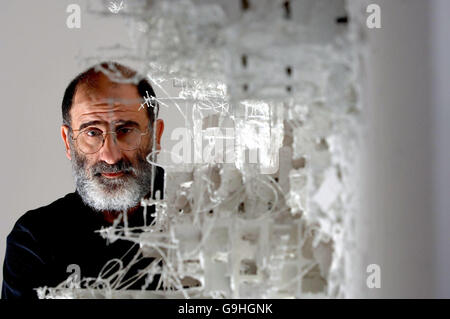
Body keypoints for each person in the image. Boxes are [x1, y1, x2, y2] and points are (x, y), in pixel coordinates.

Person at [2, 62, 165, 299]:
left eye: (126, 130)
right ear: (68, 142)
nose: (111, 156)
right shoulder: (36, 238)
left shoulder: (212, 214)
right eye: (92, 133)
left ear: (155, 136)